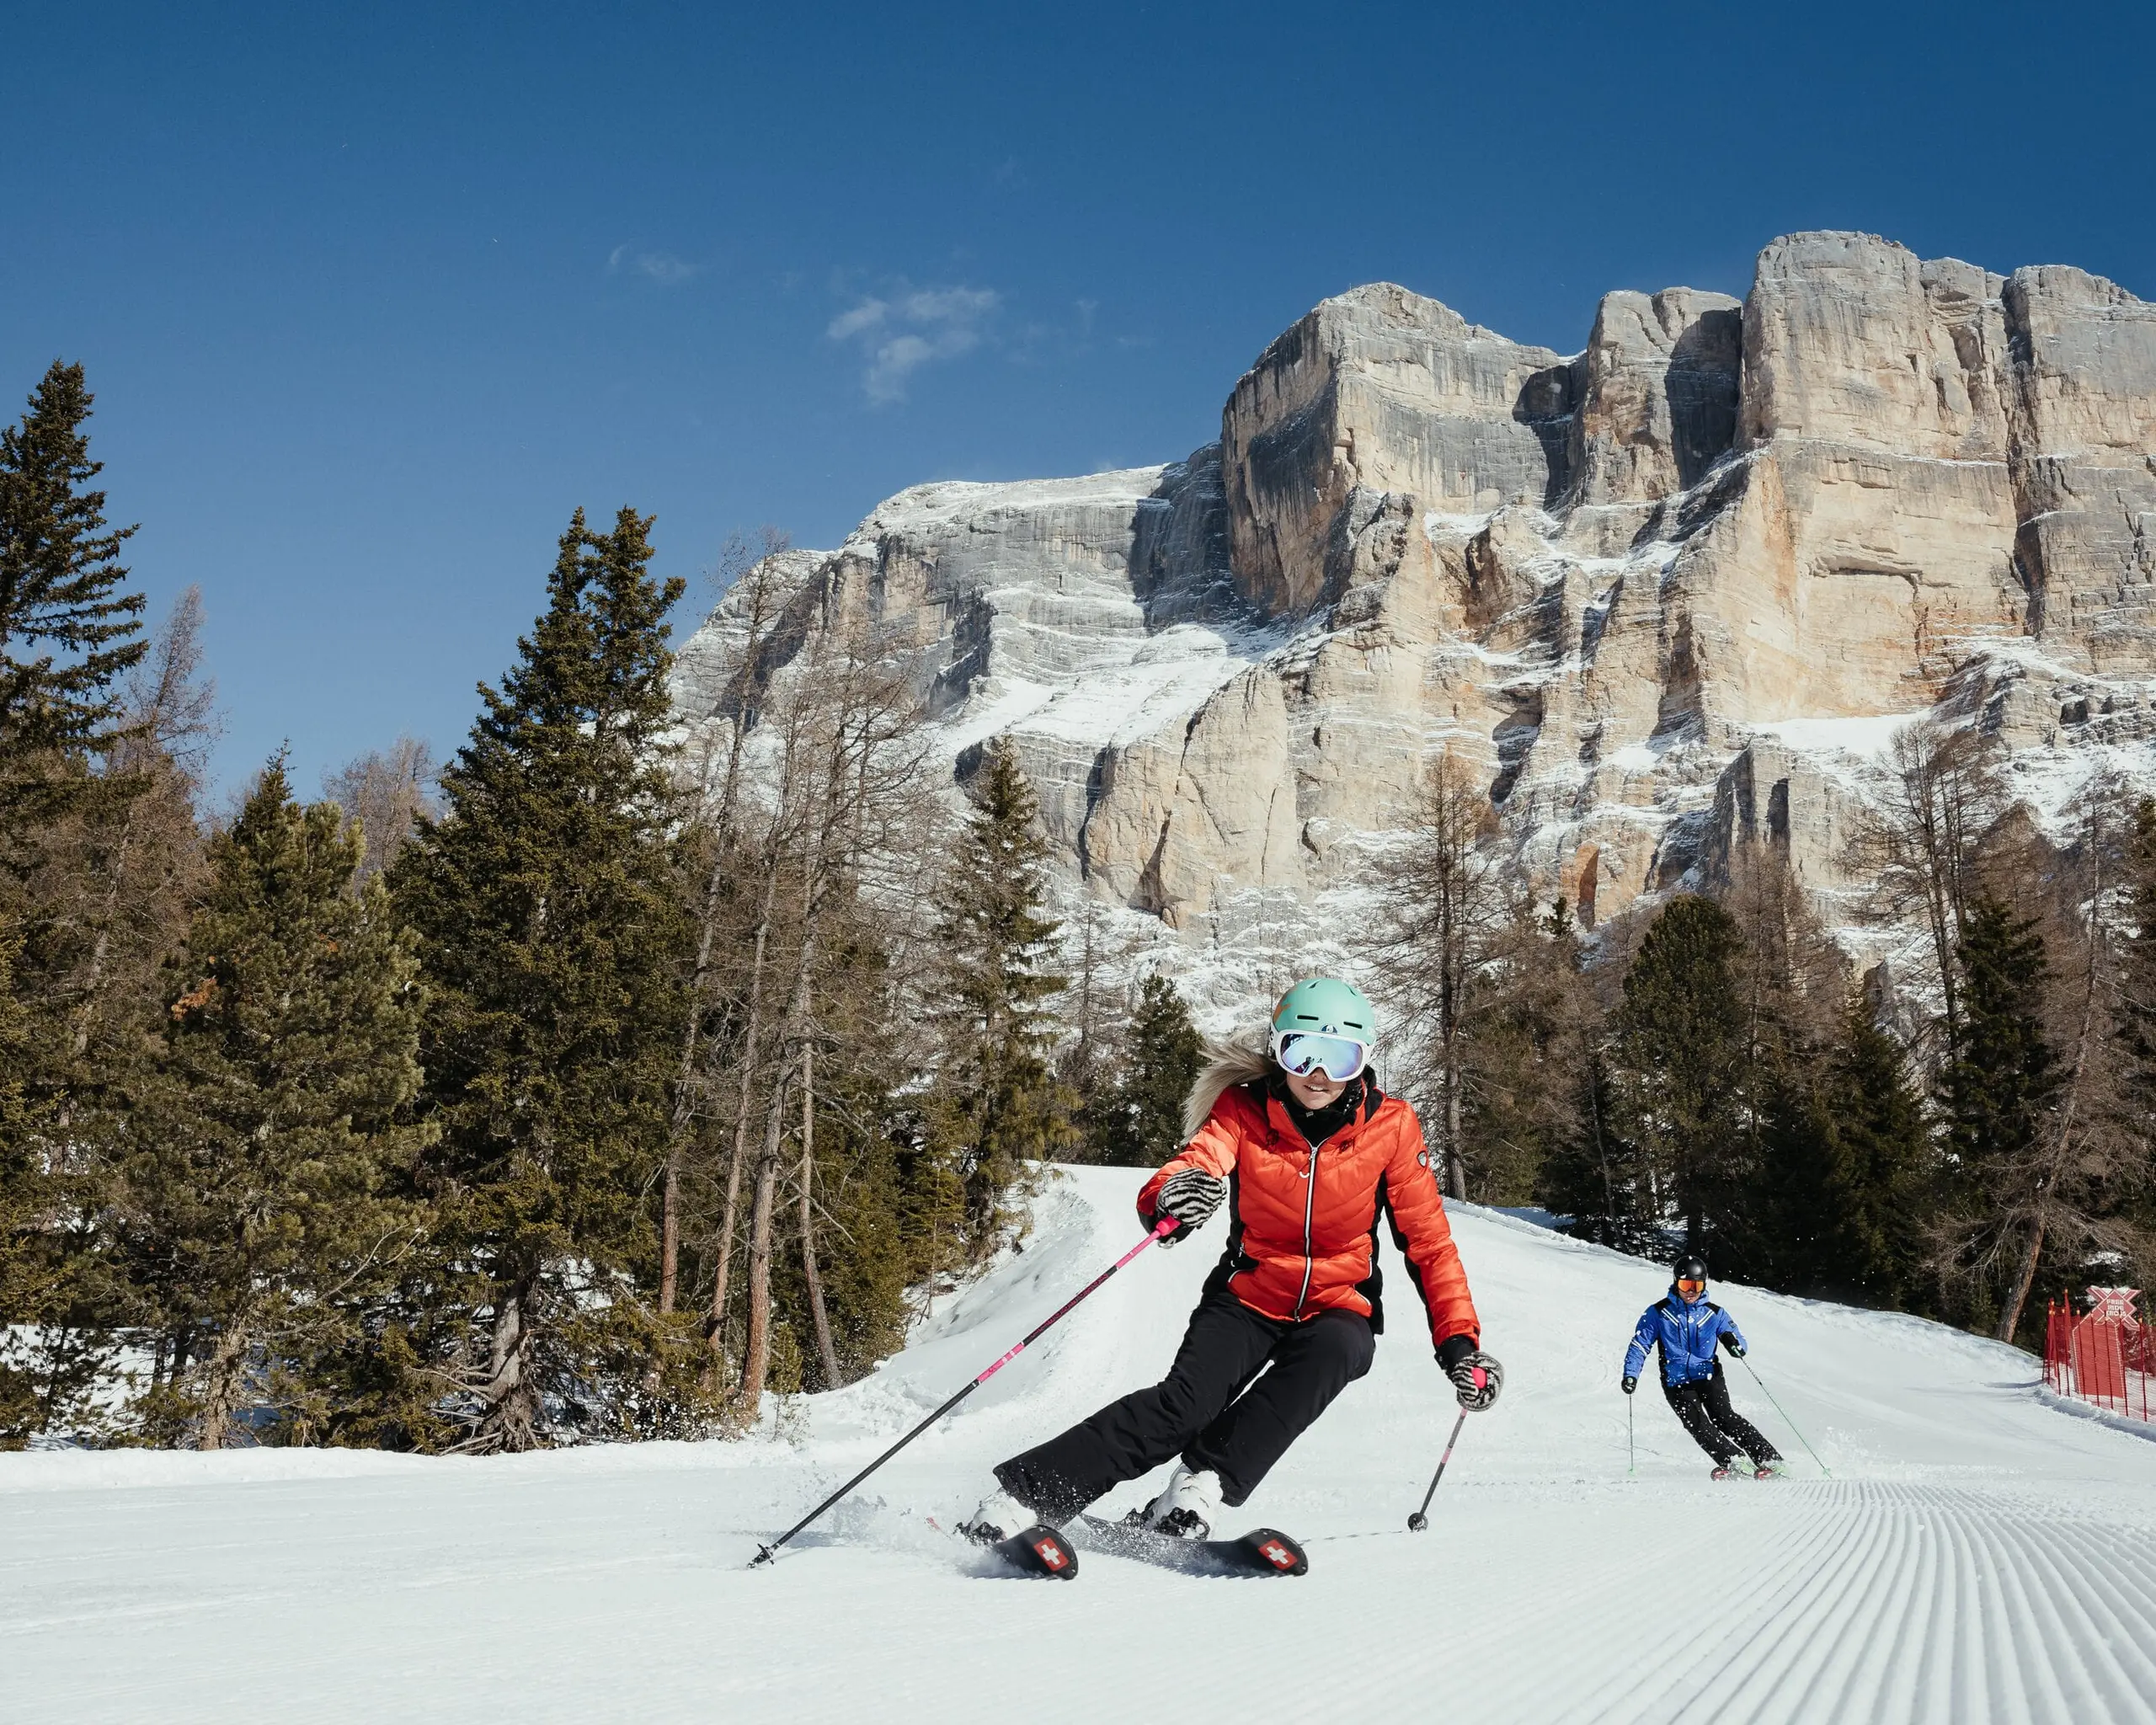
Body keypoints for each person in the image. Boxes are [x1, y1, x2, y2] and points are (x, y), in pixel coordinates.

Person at [962, 977, 1502, 1545]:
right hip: (1247, 1298)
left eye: (1339, 1058)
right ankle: (1023, 1496)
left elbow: (1429, 1243)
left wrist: (1460, 1346)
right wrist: (1173, 1197)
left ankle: (1198, 1486)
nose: (1318, 1074)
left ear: (1362, 1063)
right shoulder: (1244, 1110)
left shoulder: (1390, 1127)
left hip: (1335, 1305)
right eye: (1303, 1051)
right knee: (1182, 1409)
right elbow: (1197, 1160)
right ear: (1278, 1050)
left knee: (1345, 1348)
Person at [1622, 1255, 1783, 1479]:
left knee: (1724, 1417)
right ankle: (1734, 1461)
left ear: (1704, 1285)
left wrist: (1732, 1342)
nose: (1690, 1292)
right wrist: (1631, 1374)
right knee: (1696, 1423)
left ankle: (1770, 1460)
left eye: (1696, 1286)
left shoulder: (1714, 1313)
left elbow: (1737, 1337)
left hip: (1708, 1376)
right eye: (1685, 1285)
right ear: (1676, 1283)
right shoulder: (1658, 1313)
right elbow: (1639, 1345)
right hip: (1676, 1381)